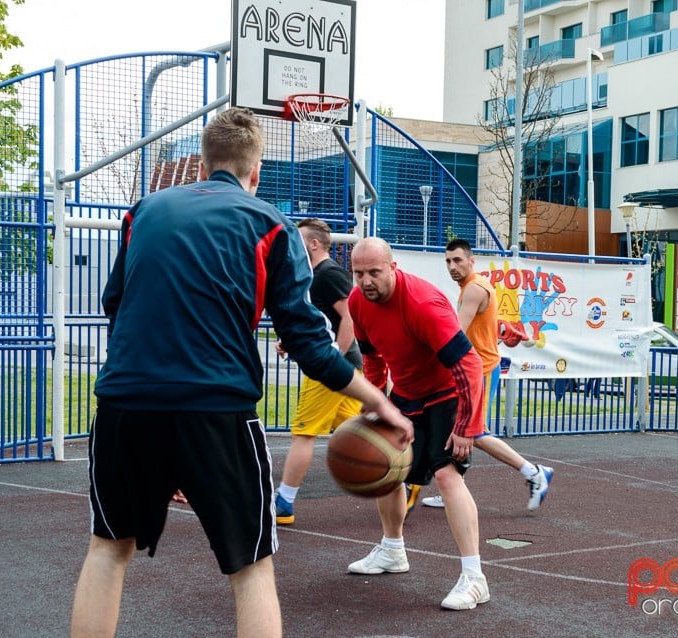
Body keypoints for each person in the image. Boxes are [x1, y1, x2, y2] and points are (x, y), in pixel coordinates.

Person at [69, 108, 412, 638]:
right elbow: (308, 345)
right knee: (251, 568)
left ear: (204, 164)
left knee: (108, 550)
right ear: (256, 173)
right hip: (217, 410)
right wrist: (380, 401)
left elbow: (116, 306)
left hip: (126, 404)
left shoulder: (143, 212)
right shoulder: (268, 224)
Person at [346, 236, 489, 611]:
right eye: (358, 273)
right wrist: (377, 404)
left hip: (445, 393)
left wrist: (466, 425)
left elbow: (470, 365)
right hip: (406, 394)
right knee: (384, 467)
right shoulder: (358, 302)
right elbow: (373, 358)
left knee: (446, 476)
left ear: (393, 267)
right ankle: (393, 551)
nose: (365, 281)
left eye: (374, 272)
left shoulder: (423, 304)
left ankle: (475, 579)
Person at [417, 238, 553, 512]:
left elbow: (453, 334)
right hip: (475, 369)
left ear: (471, 261)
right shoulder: (474, 286)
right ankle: (451, 488)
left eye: (457, 260)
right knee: (459, 430)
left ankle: (534, 473)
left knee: (474, 432)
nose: (452, 266)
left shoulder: (474, 290)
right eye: (448, 261)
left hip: (477, 371)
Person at [273, 217, 362, 526]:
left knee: (303, 433)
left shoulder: (329, 273)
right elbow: (319, 321)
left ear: (313, 243)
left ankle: (284, 501)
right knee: (363, 433)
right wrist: (291, 342)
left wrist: (335, 354)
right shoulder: (312, 276)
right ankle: (406, 477)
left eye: (298, 239)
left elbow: (350, 315)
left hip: (332, 369)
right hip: (341, 367)